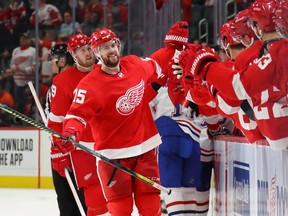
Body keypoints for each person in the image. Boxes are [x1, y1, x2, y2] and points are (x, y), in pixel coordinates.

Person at [55, 28, 164, 215]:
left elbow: (157, 65)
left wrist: (174, 47)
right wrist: (71, 132)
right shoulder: (90, 84)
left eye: (113, 45)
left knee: (150, 206)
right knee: (120, 208)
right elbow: (76, 115)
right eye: (105, 47)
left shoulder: (135, 64)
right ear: (96, 52)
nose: (112, 50)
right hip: (113, 157)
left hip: (146, 150)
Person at [177, 0, 288, 150]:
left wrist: (201, 69)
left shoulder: (250, 59)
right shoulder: (275, 50)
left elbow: (227, 103)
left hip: (268, 141)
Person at [149, 21, 213, 215]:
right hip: (193, 135)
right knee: (189, 190)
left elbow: (145, 96)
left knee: (172, 189)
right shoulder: (194, 58)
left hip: (166, 133)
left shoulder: (156, 58)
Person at [47, 35, 109, 216]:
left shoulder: (106, 70)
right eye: (82, 50)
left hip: (110, 146)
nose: (88, 53)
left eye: (89, 48)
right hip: (82, 150)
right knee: (89, 204)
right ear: (73, 56)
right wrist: (59, 150)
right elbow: (56, 122)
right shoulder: (62, 81)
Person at [6, 32, 36, 114]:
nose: (22, 40)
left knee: (26, 101)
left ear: (28, 40)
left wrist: (23, 69)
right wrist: (12, 69)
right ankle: (16, 117)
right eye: (21, 38)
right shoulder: (16, 50)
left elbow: (35, 67)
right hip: (16, 80)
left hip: (28, 81)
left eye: (24, 38)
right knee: (17, 101)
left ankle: (25, 117)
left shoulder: (33, 51)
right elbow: (12, 64)